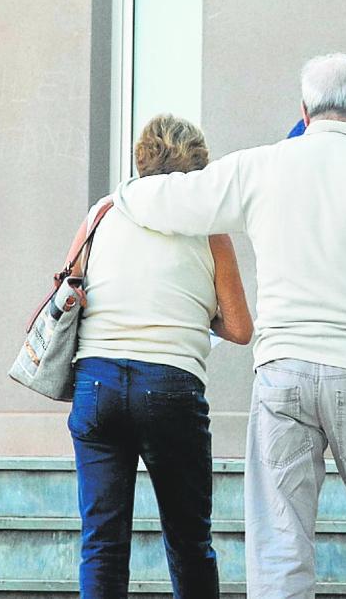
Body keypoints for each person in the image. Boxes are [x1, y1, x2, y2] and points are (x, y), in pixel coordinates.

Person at [111, 53, 346, 599]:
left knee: (279, 544)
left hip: (283, 379)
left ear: (303, 111)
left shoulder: (263, 166)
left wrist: (125, 196)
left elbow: (173, 198)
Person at [67, 114, 254, 598]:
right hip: (170, 387)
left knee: (102, 545)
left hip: (97, 383)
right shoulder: (210, 231)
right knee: (189, 542)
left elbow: (65, 287)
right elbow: (238, 327)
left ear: (141, 158)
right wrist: (191, 313)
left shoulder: (102, 213)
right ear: (198, 169)